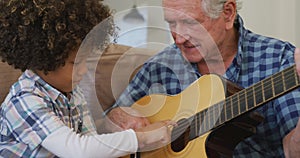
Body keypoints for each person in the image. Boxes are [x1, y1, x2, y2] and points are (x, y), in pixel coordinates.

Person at [106, 0, 300, 157]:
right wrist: (116, 117)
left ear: (228, 13)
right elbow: (103, 128)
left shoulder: (280, 59)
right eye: (172, 23)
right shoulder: (158, 68)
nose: (179, 38)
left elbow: (293, 151)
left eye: (191, 23)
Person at [0, 0, 174, 157]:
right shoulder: (23, 101)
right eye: (75, 63)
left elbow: (93, 142)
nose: (84, 70)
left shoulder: (73, 93)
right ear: (43, 60)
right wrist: (141, 138)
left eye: (86, 60)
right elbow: (78, 150)